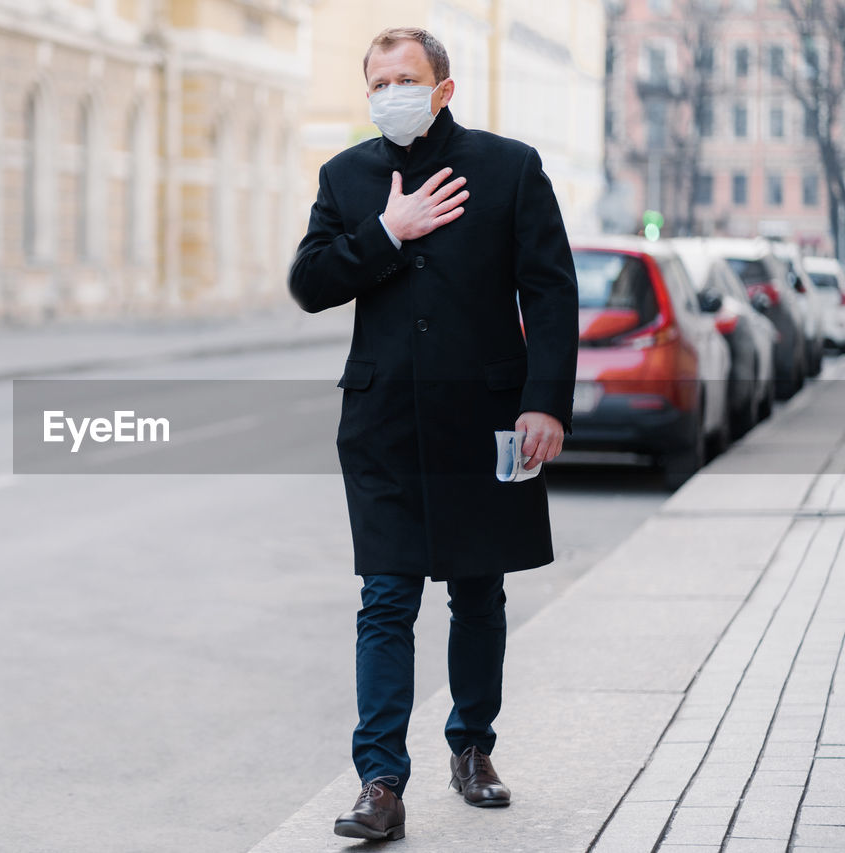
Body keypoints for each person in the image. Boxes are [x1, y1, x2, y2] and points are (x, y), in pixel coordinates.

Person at [288, 26, 578, 842]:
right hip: (381, 424)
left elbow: (550, 293)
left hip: (484, 421)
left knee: (478, 593)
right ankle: (380, 780)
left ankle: (473, 748)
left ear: (443, 88)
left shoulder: (509, 168)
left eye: (406, 79)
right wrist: (388, 231)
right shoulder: (347, 174)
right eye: (378, 83)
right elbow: (309, 282)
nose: (391, 95)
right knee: (387, 596)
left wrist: (544, 401)